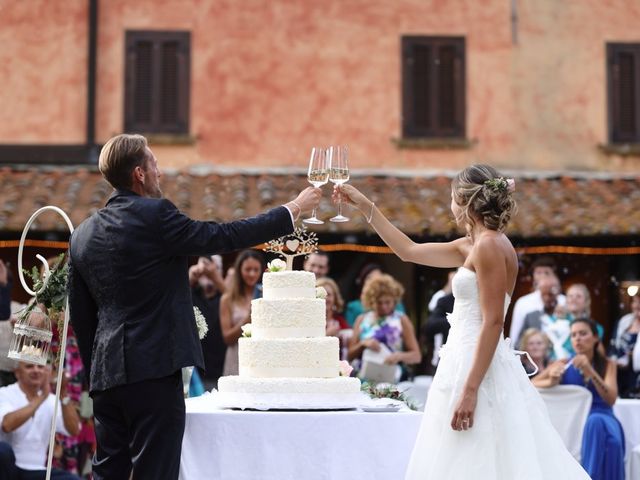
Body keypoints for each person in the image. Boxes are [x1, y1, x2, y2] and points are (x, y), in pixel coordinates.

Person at [67, 133, 321, 480]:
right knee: (155, 472)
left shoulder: (81, 234)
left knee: (107, 473)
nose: (160, 172)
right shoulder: (156, 215)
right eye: (154, 163)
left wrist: (95, 374)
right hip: (154, 368)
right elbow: (222, 236)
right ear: (139, 173)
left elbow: (82, 318)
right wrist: (291, 210)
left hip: (105, 376)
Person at [334, 164, 589, 479]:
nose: (450, 206)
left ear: (467, 200)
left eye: (452, 198)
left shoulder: (491, 245)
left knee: (479, 455)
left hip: (476, 367)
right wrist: (364, 205)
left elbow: (494, 322)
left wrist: (470, 390)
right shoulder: (471, 245)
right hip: (458, 360)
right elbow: (408, 251)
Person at [534, 318, 625, 479]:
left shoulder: (607, 364)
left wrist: (591, 372)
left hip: (603, 415)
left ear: (595, 337)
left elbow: (611, 399)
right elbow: (530, 385)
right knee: (591, 424)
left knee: (597, 424)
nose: (577, 338)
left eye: (583, 334)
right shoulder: (563, 363)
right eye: (573, 335)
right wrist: (551, 380)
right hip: (574, 420)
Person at [0, 362, 81, 480]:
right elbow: (7, 425)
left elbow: (74, 430)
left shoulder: (52, 400)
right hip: (8, 469)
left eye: (40, 367)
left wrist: (63, 392)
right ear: (17, 373)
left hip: (37, 472)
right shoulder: (4, 393)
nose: (36, 370)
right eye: (29, 366)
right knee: (3, 450)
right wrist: (41, 397)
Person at [347, 274, 421, 380]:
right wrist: (363, 344)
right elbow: (349, 356)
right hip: (363, 377)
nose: (384, 306)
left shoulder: (401, 319)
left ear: (395, 301)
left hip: (390, 377)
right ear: (371, 301)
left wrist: (399, 356)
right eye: (379, 302)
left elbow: (416, 356)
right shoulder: (362, 319)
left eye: (387, 302)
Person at [219, 250, 264, 376]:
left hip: (261, 355)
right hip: (236, 356)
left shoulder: (265, 295)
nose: (252, 273)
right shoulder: (227, 299)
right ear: (239, 270)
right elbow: (227, 337)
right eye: (248, 269)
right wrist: (248, 319)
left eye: (256, 269)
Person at [189, 255, 226, 391]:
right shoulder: (191, 292)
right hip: (196, 372)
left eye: (214, 269)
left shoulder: (225, 295)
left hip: (221, 370)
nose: (208, 273)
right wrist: (189, 278)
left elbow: (235, 305)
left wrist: (216, 279)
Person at [509, 256, 566, 341]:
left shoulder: (564, 301)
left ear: (554, 275)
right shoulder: (523, 302)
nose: (542, 276)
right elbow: (515, 334)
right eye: (538, 272)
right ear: (533, 276)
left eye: (546, 272)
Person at [518, 276, 571, 360]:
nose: (547, 298)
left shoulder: (569, 316)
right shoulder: (532, 316)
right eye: (543, 294)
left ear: (558, 292)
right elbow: (519, 343)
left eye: (550, 294)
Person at [610, 294, 640, 397]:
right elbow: (613, 346)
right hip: (620, 374)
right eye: (635, 302)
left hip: (636, 378)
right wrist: (613, 361)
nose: (637, 306)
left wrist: (632, 356)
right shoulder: (624, 321)